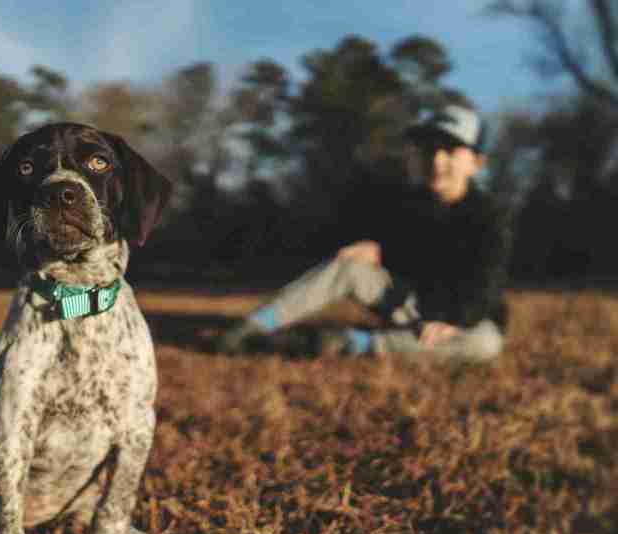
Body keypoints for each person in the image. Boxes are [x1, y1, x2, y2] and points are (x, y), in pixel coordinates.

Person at [218, 104, 512, 363]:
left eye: (449, 150)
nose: (436, 160)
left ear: (476, 163)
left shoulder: (490, 217)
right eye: (430, 149)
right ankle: (254, 326)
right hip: (411, 308)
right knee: (349, 265)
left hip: (463, 319)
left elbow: (487, 283)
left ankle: (351, 344)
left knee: (486, 344)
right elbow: (405, 252)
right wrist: (379, 250)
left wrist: (456, 321)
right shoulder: (411, 203)